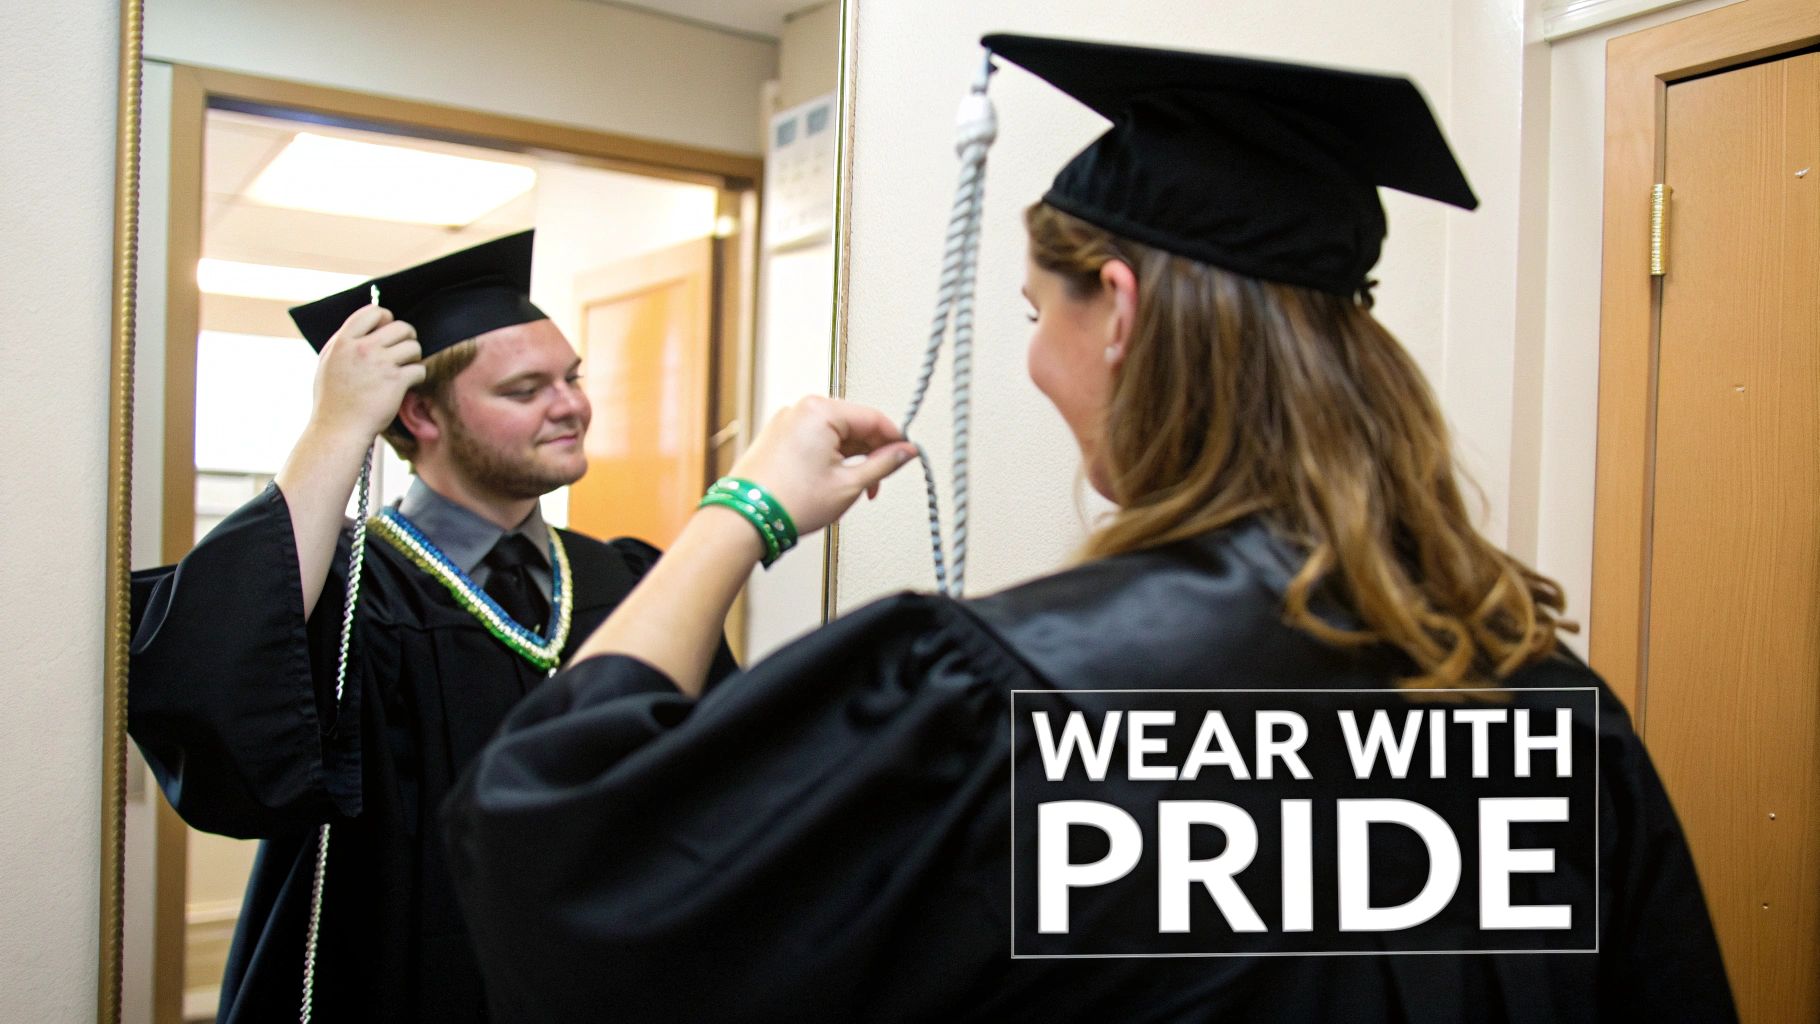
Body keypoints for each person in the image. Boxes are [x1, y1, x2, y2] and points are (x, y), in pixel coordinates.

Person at [443, 37, 1736, 1023]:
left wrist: (744, 509)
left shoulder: (1008, 706)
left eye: (1033, 314)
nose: (1036, 363)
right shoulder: (1546, 711)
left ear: (1115, 310)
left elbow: (561, 846)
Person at [129, 230, 734, 1023]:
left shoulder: (623, 578)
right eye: (525, 390)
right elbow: (215, 715)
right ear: (420, 414)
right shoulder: (347, 596)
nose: (571, 406)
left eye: (572, 378)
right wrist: (335, 429)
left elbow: (719, 776)